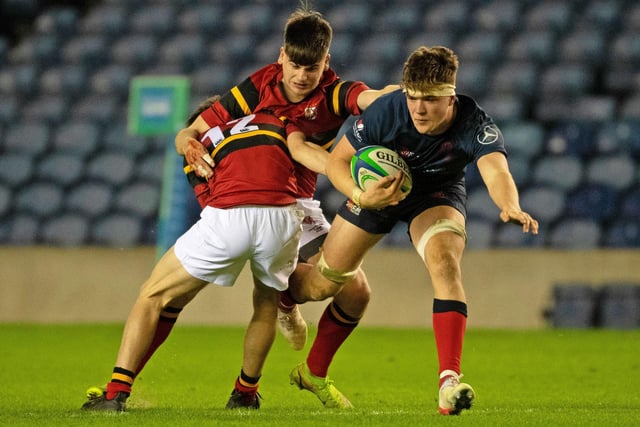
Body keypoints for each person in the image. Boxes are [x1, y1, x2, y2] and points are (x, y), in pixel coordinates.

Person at [286, 45, 539, 415]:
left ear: (450, 95)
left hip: (434, 194)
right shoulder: (387, 111)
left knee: (445, 265)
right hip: (377, 190)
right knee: (322, 285)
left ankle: (448, 382)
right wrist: (361, 194)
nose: (419, 108)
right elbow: (338, 160)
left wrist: (509, 205)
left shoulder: (475, 124)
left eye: (431, 100)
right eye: (413, 97)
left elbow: (496, 170)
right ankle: (283, 298)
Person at [170, 6, 398, 409]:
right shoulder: (260, 85)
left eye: (312, 67)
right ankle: (254, 365)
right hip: (250, 198)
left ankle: (310, 364)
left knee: (357, 292)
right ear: (281, 56)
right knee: (250, 292)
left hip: (299, 202)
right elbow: (193, 129)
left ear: (325, 63)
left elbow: (367, 98)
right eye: (295, 65)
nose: (302, 76)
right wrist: (188, 141)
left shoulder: (333, 93)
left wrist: (402, 94)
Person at [81, 111, 325, 411]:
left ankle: (115, 393)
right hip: (283, 216)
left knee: (152, 294)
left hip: (230, 214)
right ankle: (245, 393)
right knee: (265, 303)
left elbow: (208, 198)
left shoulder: (201, 142)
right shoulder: (277, 122)